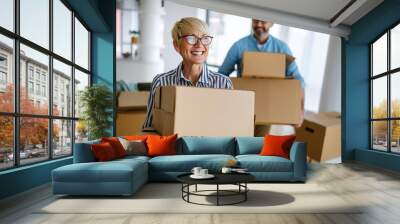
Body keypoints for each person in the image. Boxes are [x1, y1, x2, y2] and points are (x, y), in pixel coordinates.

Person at [142, 17, 233, 130]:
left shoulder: (223, 83)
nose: (199, 45)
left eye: (205, 38)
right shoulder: (161, 82)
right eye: (191, 39)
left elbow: (229, 128)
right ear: (176, 45)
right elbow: (150, 127)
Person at [219, 19, 305, 130]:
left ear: (272, 23)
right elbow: (222, 74)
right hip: (241, 105)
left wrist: (300, 111)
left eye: (263, 21)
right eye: (255, 21)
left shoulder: (281, 48)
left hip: (266, 107)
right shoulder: (239, 46)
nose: (259, 25)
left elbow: (299, 81)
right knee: (237, 141)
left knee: (258, 144)